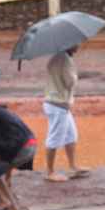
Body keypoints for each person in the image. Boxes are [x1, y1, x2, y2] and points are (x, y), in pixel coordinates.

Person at [43, 45, 90, 182]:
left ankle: (73, 166)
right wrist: (75, 75)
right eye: (75, 43)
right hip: (58, 104)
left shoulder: (56, 57)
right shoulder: (65, 59)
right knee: (55, 137)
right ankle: (50, 172)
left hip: (56, 103)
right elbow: (69, 82)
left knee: (71, 135)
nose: (78, 46)